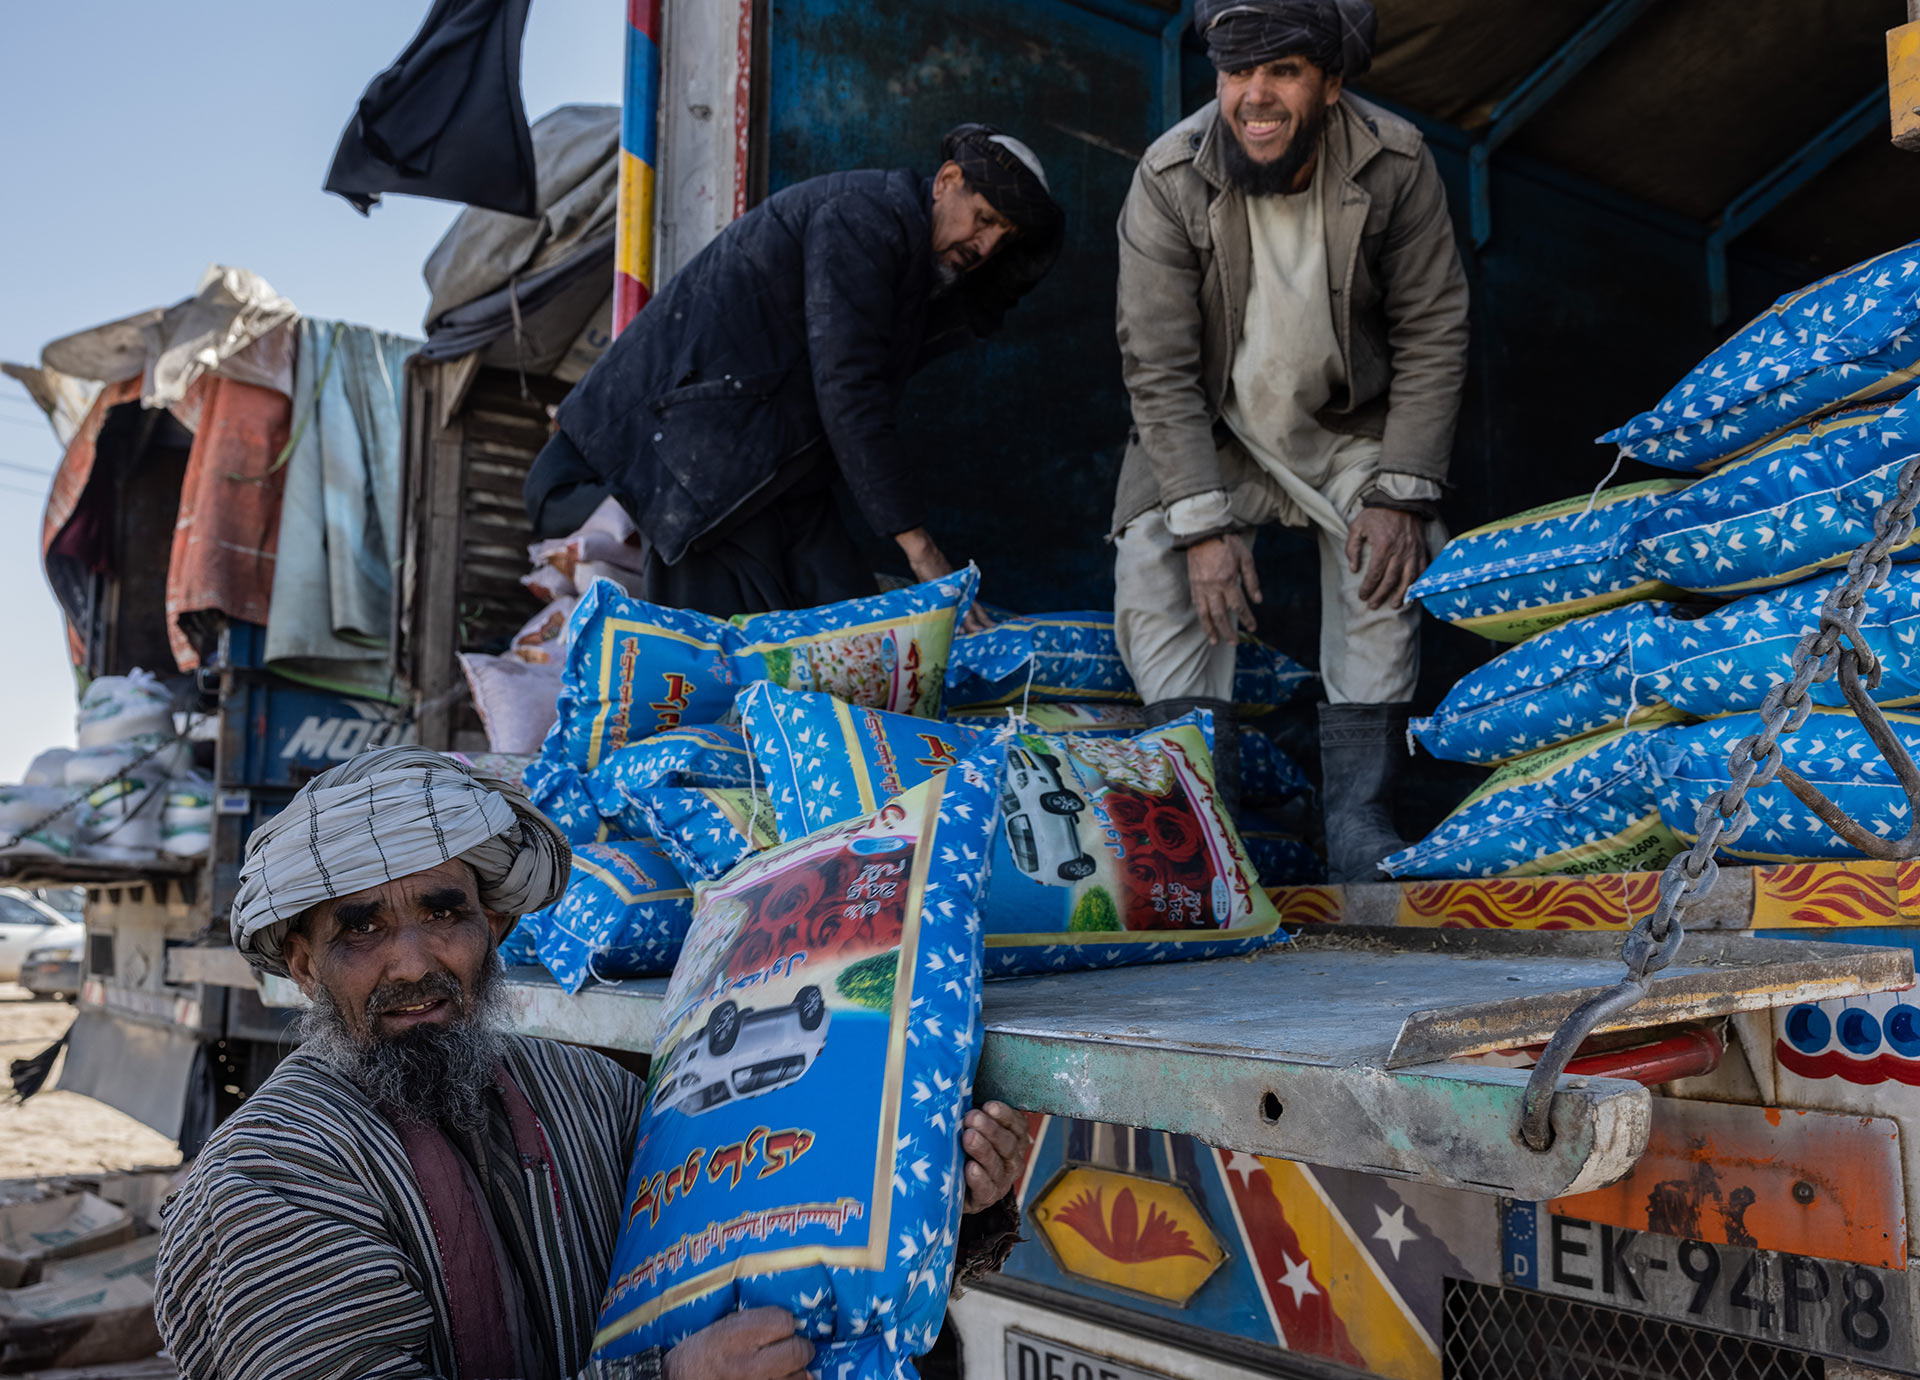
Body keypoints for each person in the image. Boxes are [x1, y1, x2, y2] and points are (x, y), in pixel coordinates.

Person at [154, 747, 1030, 1380]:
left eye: (442, 911)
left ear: (492, 927)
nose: (415, 961)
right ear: (303, 965)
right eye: (361, 928)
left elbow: (757, 1249)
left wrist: (939, 1194)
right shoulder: (269, 1180)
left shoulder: (586, 1093)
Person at [1107, 0, 1469, 881]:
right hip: (1215, 434)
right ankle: (1205, 827)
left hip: (1349, 434)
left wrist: (1400, 493)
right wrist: (1199, 522)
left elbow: (1434, 328)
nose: (1255, 97)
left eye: (1284, 72)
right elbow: (1156, 368)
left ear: (1333, 85)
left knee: (1390, 561)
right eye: (1237, 72)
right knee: (1150, 557)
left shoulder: (1397, 162)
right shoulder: (1168, 175)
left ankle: (1357, 819)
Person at [524, 123, 1065, 625]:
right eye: (986, 219)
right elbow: (849, 390)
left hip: (767, 473)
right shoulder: (865, 216)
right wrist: (922, 550)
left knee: (855, 633)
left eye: (1005, 236)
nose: (988, 246)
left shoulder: (910, 263)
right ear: (947, 181)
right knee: (717, 661)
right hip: (689, 466)